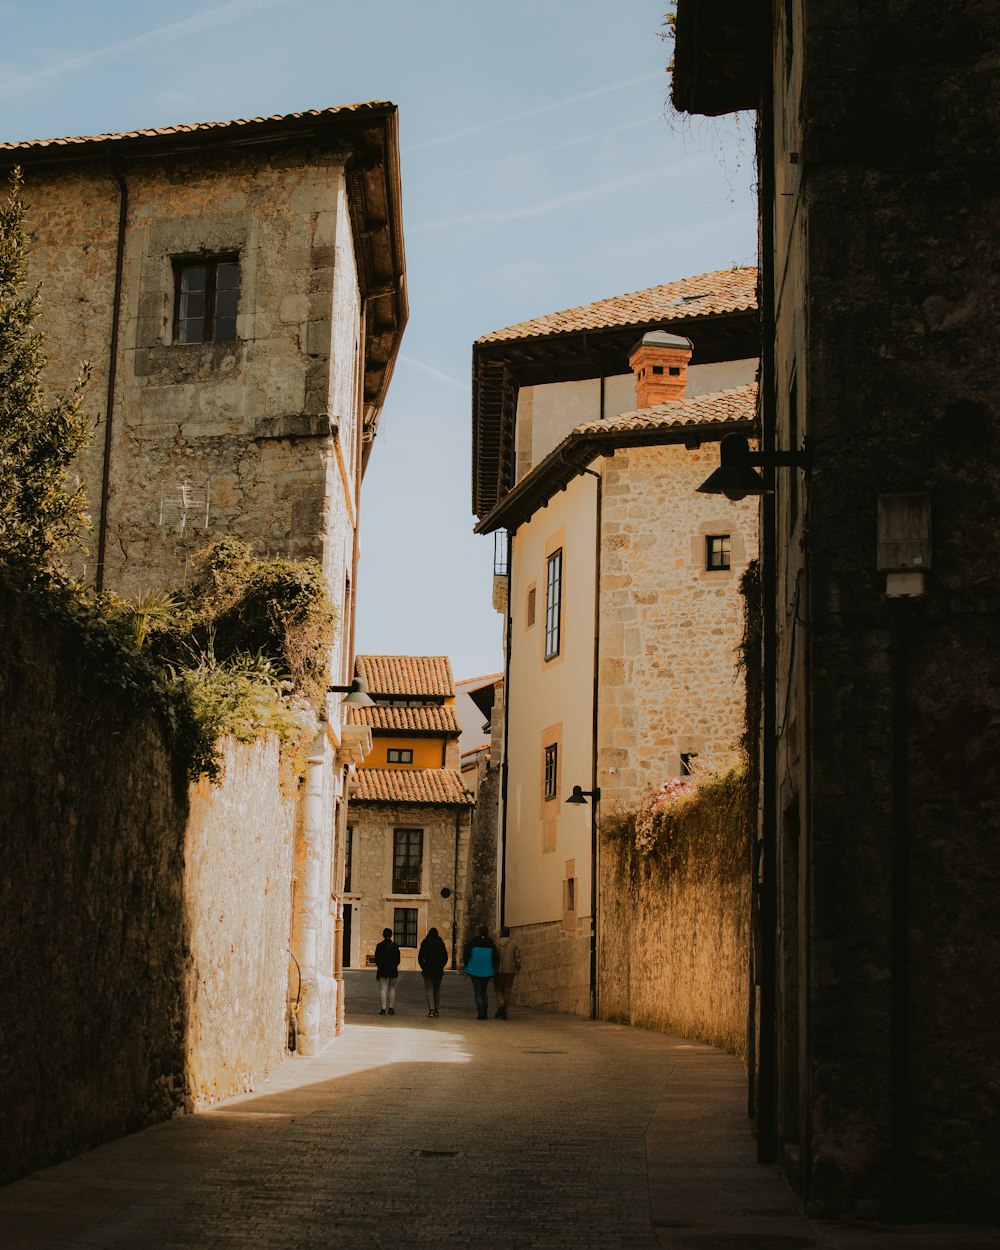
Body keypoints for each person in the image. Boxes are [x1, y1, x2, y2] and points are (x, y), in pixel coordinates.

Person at [462, 927, 497, 1019]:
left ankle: (480, 1011)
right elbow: (495, 958)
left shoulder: (473, 942)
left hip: (474, 969)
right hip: (487, 970)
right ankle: (485, 1011)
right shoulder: (491, 944)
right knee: (484, 991)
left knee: (477, 992)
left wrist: (467, 965)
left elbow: (466, 954)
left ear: (479, 932)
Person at [417, 926, 449, 1017]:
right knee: (437, 990)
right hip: (438, 970)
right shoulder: (440, 943)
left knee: (429, 989)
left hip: (427, 969)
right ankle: (436, 1010)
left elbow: (420, 957)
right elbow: (445, 957)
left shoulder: (425, 943)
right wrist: (441, 966)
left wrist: (423, 967)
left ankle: (431, 1009)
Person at [492, 926, 522, 1019]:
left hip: (498, 969)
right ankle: (504, 1009)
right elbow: (517, 957)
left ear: (501, 933)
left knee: (498, 988)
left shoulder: (495, 943)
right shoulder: (513, 943)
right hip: (510, 970)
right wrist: (517, 966)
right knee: (507, 990)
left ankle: (500, 1004)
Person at [374, 926, 401, 1015]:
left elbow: (376, 959)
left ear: (383, 935)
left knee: (383, 989)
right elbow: (398, 959)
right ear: (391, 935)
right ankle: (391, 1008)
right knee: (392, 988)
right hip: (392, 970)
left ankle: (383, 1008)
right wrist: (393, 966)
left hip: (382, 969)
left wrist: (381, 966)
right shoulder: (395, 946)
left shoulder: (379, 946)